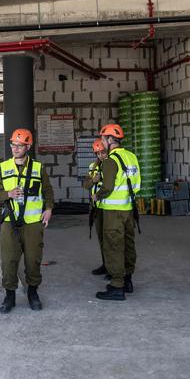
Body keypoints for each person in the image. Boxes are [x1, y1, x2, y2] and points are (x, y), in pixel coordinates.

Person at [0, 129, 54, 313]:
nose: (15, 148)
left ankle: (33, 293)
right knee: (8, 260)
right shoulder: (2, 168)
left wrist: (49, 208)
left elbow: (47, 190)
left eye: (20, 145)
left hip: (33, 223)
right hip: (10, 222)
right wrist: (7, 194)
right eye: (13, 145)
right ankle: (9, 296)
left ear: (28, 146)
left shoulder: (38, 168)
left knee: (33, 260)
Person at [93, 123, 141, 301]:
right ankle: (128, 281)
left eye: (103, 139)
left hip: (113, 212)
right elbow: (137, 183)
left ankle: (117, 286)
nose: (102, 142)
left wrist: (97, 196)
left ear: (110, 139)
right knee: (128, 245)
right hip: (128, 209)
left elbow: (107, 187)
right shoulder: (131, 157)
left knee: (113, 247)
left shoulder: (110, 161)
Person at [84, 138, 109, 276]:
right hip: (97, 209)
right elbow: (86, 185)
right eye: (98, 153)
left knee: (111, 239)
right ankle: (106, 265)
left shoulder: (112, 165)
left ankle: (113, 267)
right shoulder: (92, 167)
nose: (101, 156)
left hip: (110, 208)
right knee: (102, 239)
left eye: (103, 152)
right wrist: (93, 180)